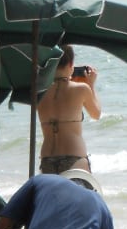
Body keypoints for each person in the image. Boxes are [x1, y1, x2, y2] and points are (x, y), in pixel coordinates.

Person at [38, 44, 101, 174]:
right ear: (71, 64)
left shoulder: (39, 91)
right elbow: (96, 114)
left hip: (47, 158)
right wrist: (91, 86)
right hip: (74, 156)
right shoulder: (81, 89)